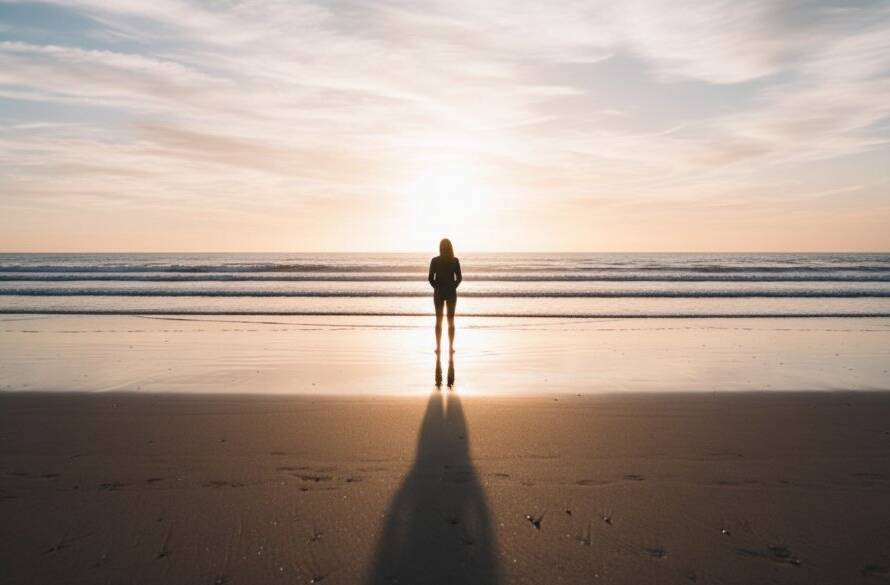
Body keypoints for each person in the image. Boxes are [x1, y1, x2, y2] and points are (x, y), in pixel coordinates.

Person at [428, 238, 462, 354]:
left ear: (440, 248)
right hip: (451, 293)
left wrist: (437, 287)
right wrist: (453, 286)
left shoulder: (435, 261)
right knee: (451, 320)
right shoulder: (454, 260)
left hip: (439, 293)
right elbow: (459, 278)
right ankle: (451, 347)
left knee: (439, 320)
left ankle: (438, 347)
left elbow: (430, 278)